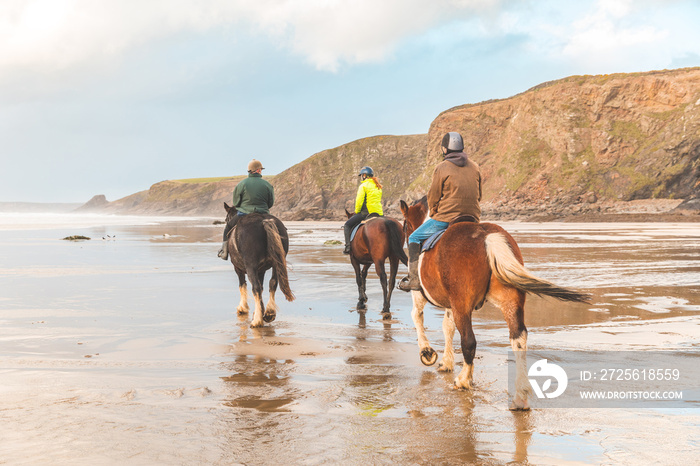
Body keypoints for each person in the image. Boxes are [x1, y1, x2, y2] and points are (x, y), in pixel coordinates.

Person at [398, 132, 482, 291]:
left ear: (445, 149)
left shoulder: (441, 167)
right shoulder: (475, 166)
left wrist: (435, 212)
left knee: (414, 237)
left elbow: (433, 196)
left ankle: (414, 280)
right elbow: (480, 195)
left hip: (447, 218)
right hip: (473, 217)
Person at [218, 159, 275, 260]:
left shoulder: (241, 184)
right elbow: (270, 203)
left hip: (244, 214)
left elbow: (235, 203)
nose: (261, 171)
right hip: (263, 213)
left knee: (228, 227)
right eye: (261, 169)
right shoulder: (267, 185)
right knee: (278, 228)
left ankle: (224, 252)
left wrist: (244, 207)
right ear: (258, 170)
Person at [343, 166, 384, 254]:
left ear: (365, 175)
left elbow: (359, 201)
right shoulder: (378, 186)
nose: (361, 177)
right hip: (379, 213)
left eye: (362, 175)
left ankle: (348, 247)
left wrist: (357, 211)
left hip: (366, 213)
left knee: (347, 225)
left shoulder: (363, 186)